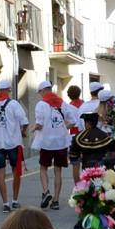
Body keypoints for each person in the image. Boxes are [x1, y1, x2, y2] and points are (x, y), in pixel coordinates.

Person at [0, 79, 29, 212]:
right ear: (9, 90)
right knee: (16, 172)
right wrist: (23, 131)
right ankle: (15, 201)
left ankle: (5, 203)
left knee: (1, 172)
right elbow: (24, 121)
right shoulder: (14, 103)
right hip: (13, 143)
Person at [33, 80, 77, 212]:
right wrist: (62, 128)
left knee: (43, 168)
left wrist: (33, 129)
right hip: (61, 143)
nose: (40, 94)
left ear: (43, 91)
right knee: (58, 171)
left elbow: (39, 124)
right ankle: (56, 201)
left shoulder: (41, 105)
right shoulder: (63, 103)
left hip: (46, 143)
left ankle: (46, 191)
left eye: (40, 92)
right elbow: (73, 121)